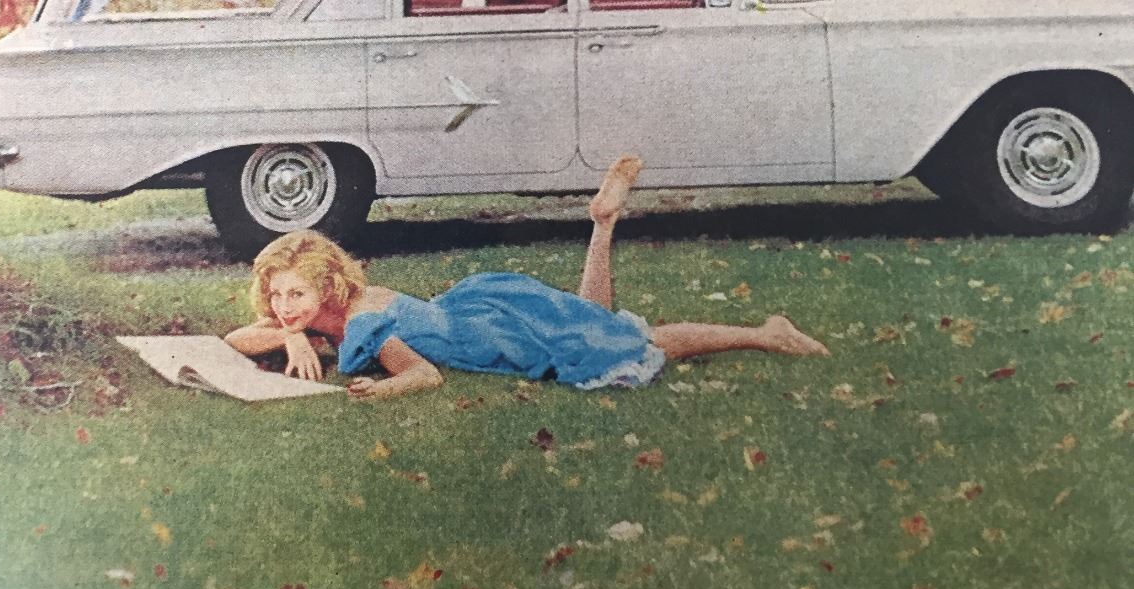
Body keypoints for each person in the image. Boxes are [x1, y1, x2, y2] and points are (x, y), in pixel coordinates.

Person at [223, 157, 828, 400]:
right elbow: (236, 339)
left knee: (626, 342)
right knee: (595, 321)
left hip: (490, 336)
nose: (283, 305)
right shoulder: (329, 310)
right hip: (476, 307)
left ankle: (765, 334)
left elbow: (423, 374)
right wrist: (292, 335)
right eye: (276, 295)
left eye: (296, 295)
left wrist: (382, 390)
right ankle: (603, 224)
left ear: (328, 288)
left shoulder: (364, 324)